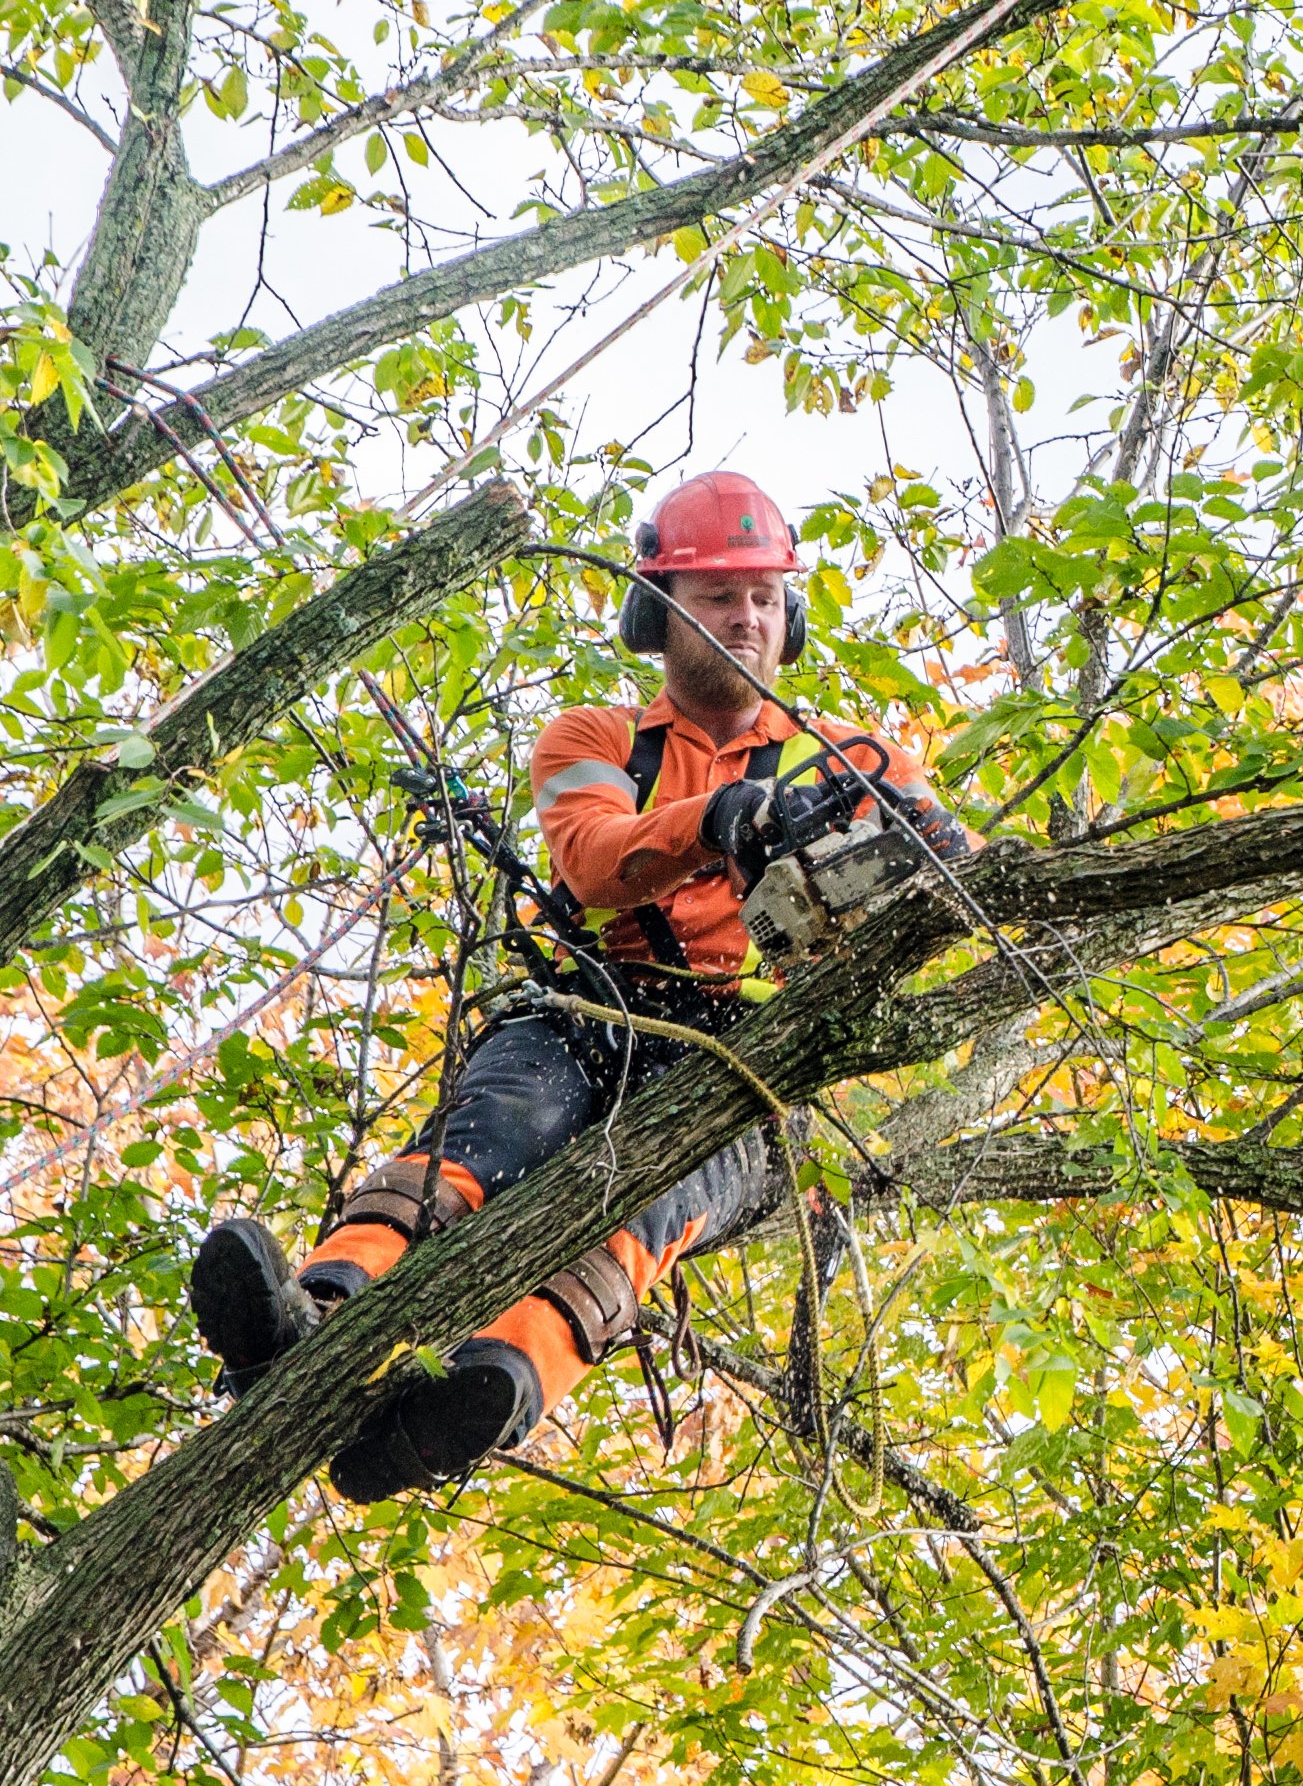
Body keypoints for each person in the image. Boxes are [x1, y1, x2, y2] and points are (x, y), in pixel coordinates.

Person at [186, 471, 966, 1501]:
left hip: (746, 1057)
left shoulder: (850, 757)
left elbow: (971, 872)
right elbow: (595, 857)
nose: (747, 618)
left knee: (651, 1208)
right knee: (488, 1138)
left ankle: (497, 1381)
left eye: (765, 597)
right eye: (719, 596)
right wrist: (716, 820)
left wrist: (936, 854)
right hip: (590, 1008)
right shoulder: (595, 739)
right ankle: (313, 1307)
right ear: (662, 611)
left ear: (793, 614)